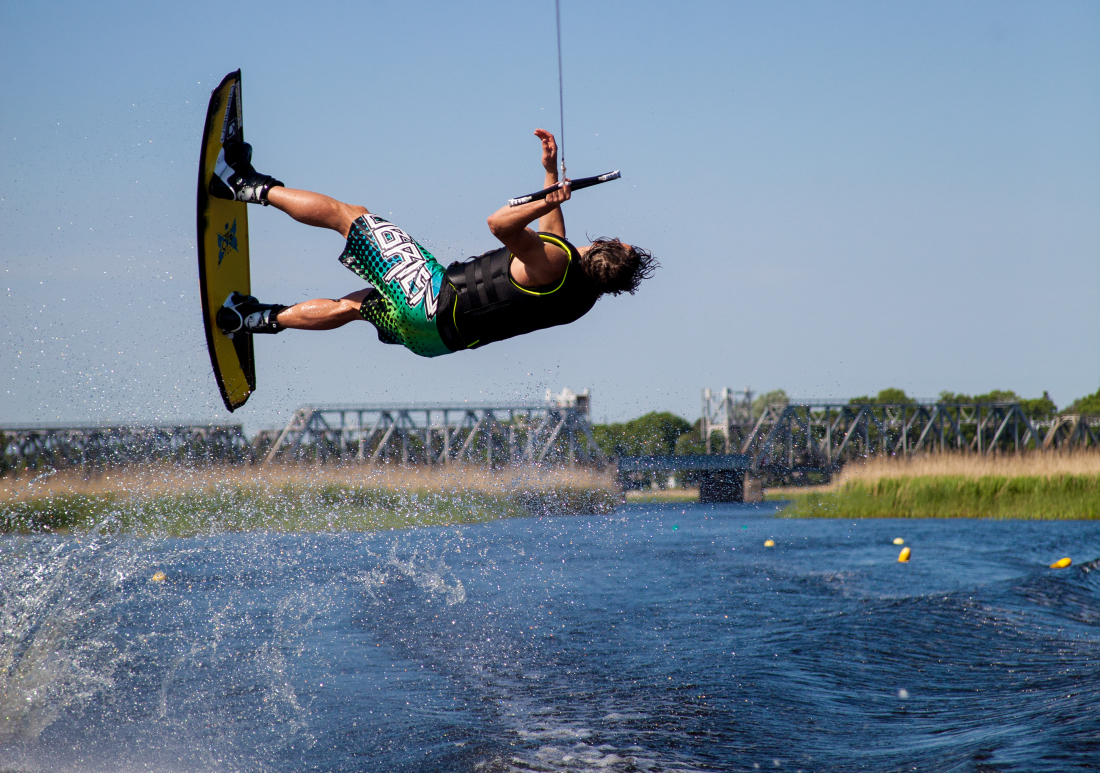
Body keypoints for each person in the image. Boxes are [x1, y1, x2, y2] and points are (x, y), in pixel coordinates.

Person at [209, 129, 656, 356]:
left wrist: (541, 202)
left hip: (431, 296)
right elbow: (551, 240)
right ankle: (249, 319)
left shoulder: (555, 264)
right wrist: (549, 176)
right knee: (356, 305)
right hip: (435, 341)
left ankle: (242, 184)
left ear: (601, 247)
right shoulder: (579, 297)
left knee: (349, 217)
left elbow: (498, 224)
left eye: (617, 239)